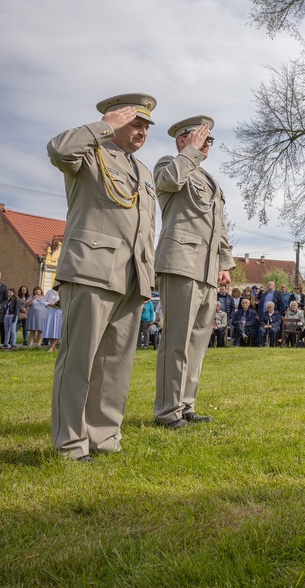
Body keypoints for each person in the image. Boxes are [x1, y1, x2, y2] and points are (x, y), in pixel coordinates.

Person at [47, 93, 158, 462]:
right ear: (115, 120)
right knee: (79, 361)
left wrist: (147, 274)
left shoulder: (143, 171)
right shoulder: (89, 152)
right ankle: (70, 444)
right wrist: (103, 127)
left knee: (114, 365)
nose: (142, 132)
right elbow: (59, 150)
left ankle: (104, 437)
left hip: (132, 276)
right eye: (135, 123)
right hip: (92, 269)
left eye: (146, 127)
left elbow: (145, 229)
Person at [152, 116, 233, 429]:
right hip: (181, 263)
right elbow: (169, 182)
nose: (206, 143)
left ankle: (186, 406)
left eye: (209, 139)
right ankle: (167, 411)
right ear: (181, 140)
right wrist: (191, 151)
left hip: (207, 269)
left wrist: (224, 263)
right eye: (201, 137)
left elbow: (219, 226)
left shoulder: (210, 180)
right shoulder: (170, 164)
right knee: (177, 341)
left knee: (198, 341)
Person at [42, 288, 62, 352]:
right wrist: (50, 304)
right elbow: (42, 301)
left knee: (57, 329)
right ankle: (53, 347)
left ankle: (52, 347)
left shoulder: (62, 291)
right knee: (50, 329)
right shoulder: (50, 291)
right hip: (50, 311)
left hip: (59, 312)